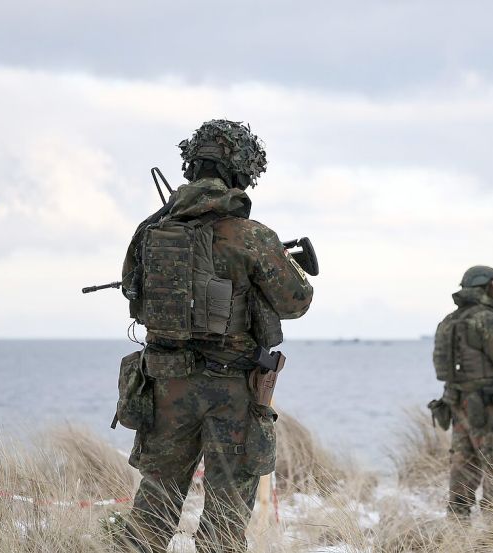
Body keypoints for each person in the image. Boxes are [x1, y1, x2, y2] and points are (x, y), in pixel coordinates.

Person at [118, 119, 314, 552]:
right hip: (233, 391)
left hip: (166, 384)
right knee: (225, 522)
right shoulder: (253, 236)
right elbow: (296, 302)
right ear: (241, 172)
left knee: (154, 506)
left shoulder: (150, 231)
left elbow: (133, 294)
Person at [430, 265, 493, 519]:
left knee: (463, 463)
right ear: (484, 286)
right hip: (486, 405)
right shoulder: (486, 319)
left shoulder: (449, 321)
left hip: (455, 401)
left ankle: (458, 524)